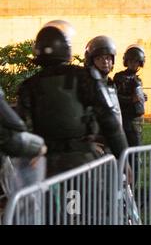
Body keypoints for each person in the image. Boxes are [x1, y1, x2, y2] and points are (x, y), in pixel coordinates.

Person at [17, 21, 129, 177]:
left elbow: (22, 129)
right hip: (83, 161)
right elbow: (110, 121)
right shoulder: (83, 76)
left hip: (45, 165)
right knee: (96, 200)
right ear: (66, 49)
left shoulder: (28, 86)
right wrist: (124, 160)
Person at [113, 45, 147, 149]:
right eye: (131, 61)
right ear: (126, 61)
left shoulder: (137, 79)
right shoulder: (120, 77)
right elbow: (115, 97)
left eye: (136, 61)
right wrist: (131, 99)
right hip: (126, 117)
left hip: (137, 118)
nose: (133, 64)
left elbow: (137, 96)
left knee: (137, 147)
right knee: (130, 147)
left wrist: (143, 97)